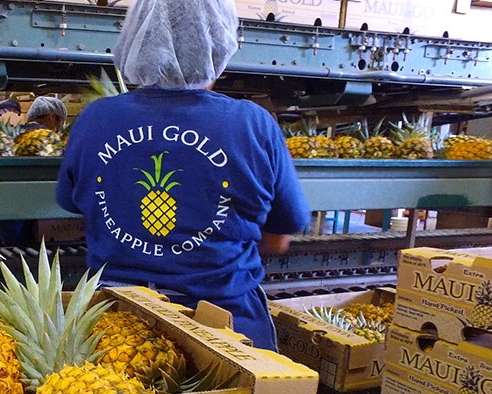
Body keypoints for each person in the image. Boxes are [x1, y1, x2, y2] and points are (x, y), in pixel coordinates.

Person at [55, 0, 310, 351]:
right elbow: (279, 239)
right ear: (219, 42)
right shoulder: (253, 124)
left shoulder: (94, 119)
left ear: (137, 40)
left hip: (114, 332)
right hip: (228, 331)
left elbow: (83, 207)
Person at [0, 96, 68, 248]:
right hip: (17, 210)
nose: (58, 128)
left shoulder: (12, 133)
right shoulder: (47, 139)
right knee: (19, 258)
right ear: (51, 117)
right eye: (59, 122)